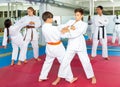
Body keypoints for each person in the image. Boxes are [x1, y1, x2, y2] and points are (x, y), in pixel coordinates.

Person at [52, 8, 96, 85]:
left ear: (82, 15)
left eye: (78, 15)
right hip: (71, 45)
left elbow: (76, 33)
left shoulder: (84, 24)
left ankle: (92, 76)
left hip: (80, 45)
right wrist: (66, 29)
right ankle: (58, 77)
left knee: (85, 61)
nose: (76, 16)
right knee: (65, 61)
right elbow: (61, 27)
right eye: (75, 15)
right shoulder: (70, 22)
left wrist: (68, 30)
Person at [38, 11, 66, 82]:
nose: (52, 19)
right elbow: (62, 35)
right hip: (57, 47)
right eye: (51, 18)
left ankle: (42, 77)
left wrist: (61, 29)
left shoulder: (44, 27)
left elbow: (57, 28)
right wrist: (64, 31)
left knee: (47, 62)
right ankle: (69, 78)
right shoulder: (53, 28)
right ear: (48, 19)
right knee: (64, 62)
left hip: (49, 47)